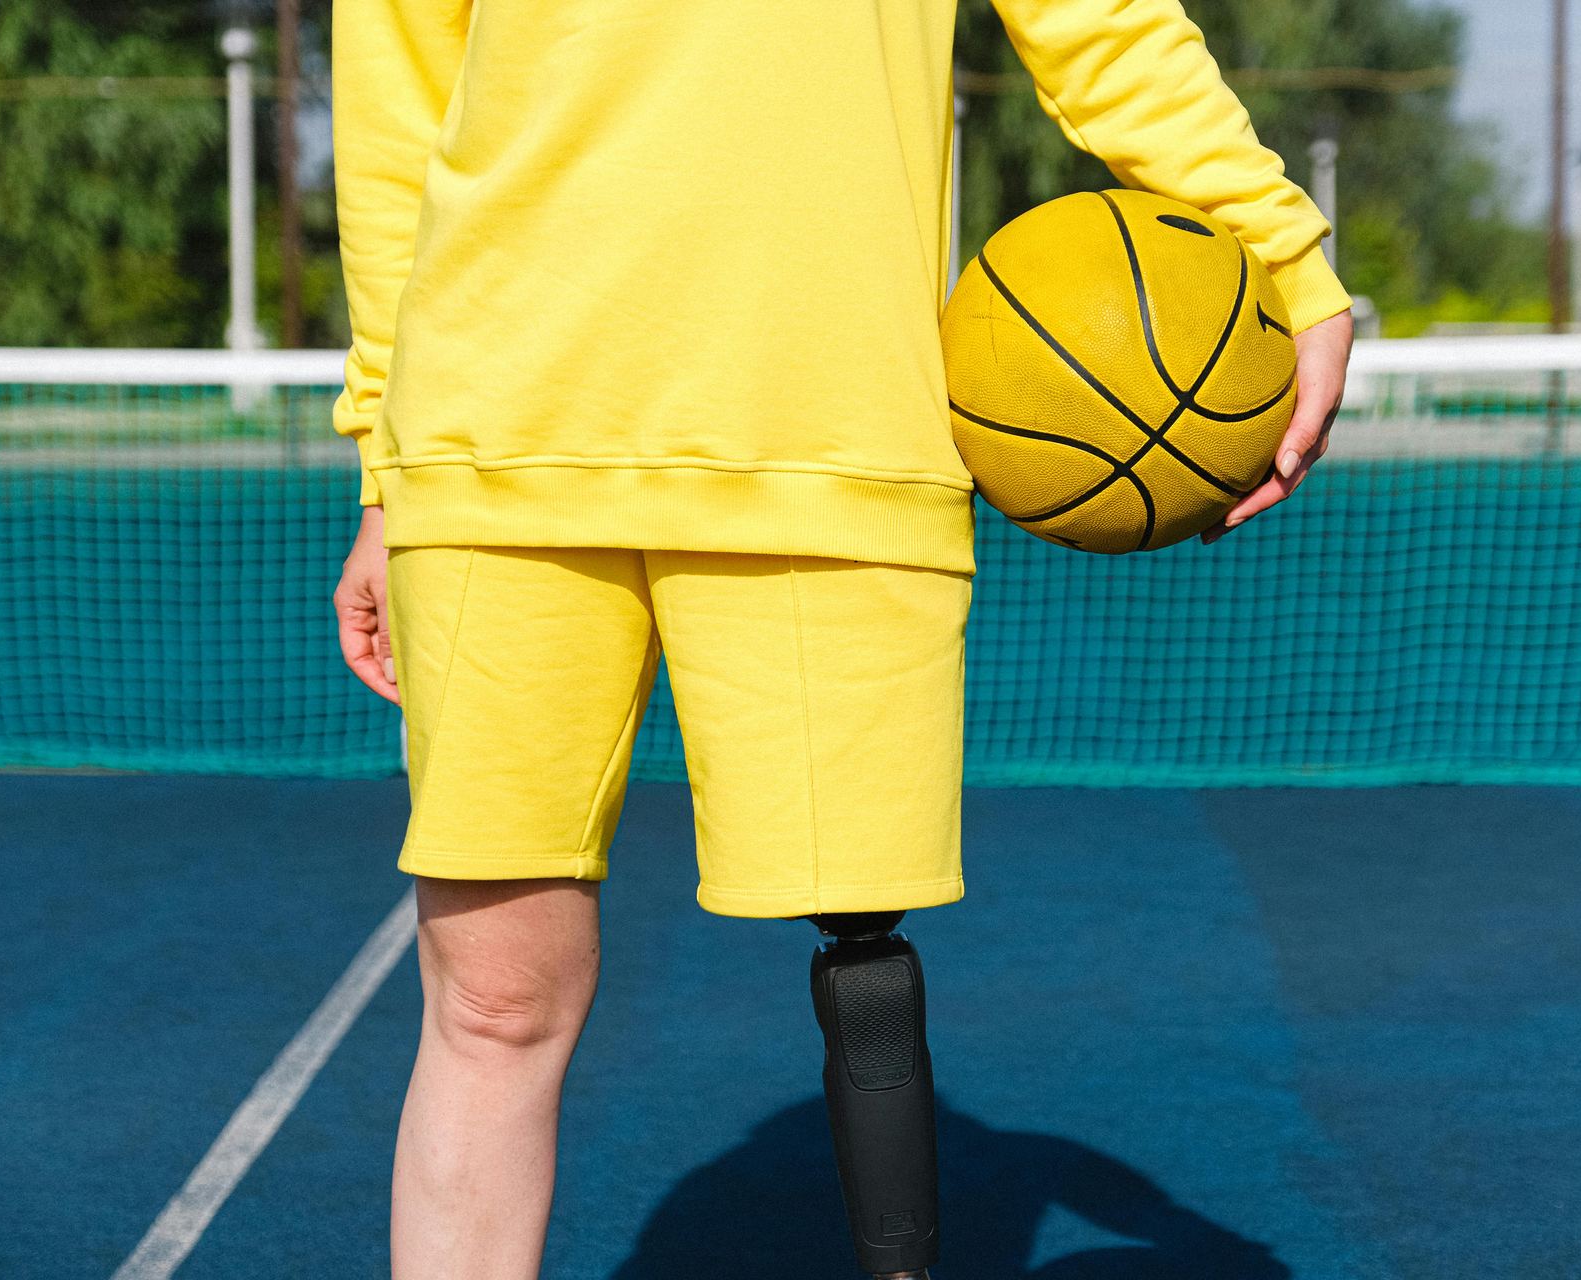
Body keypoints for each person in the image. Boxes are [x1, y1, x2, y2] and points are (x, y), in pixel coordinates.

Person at [329, 1, 1354, 1276]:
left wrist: (1284, 252)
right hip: (494, 436)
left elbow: (1103, 21)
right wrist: (384, 458)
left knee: (867, 954)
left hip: (839, 434)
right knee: (492, 996)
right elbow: (394, 110)